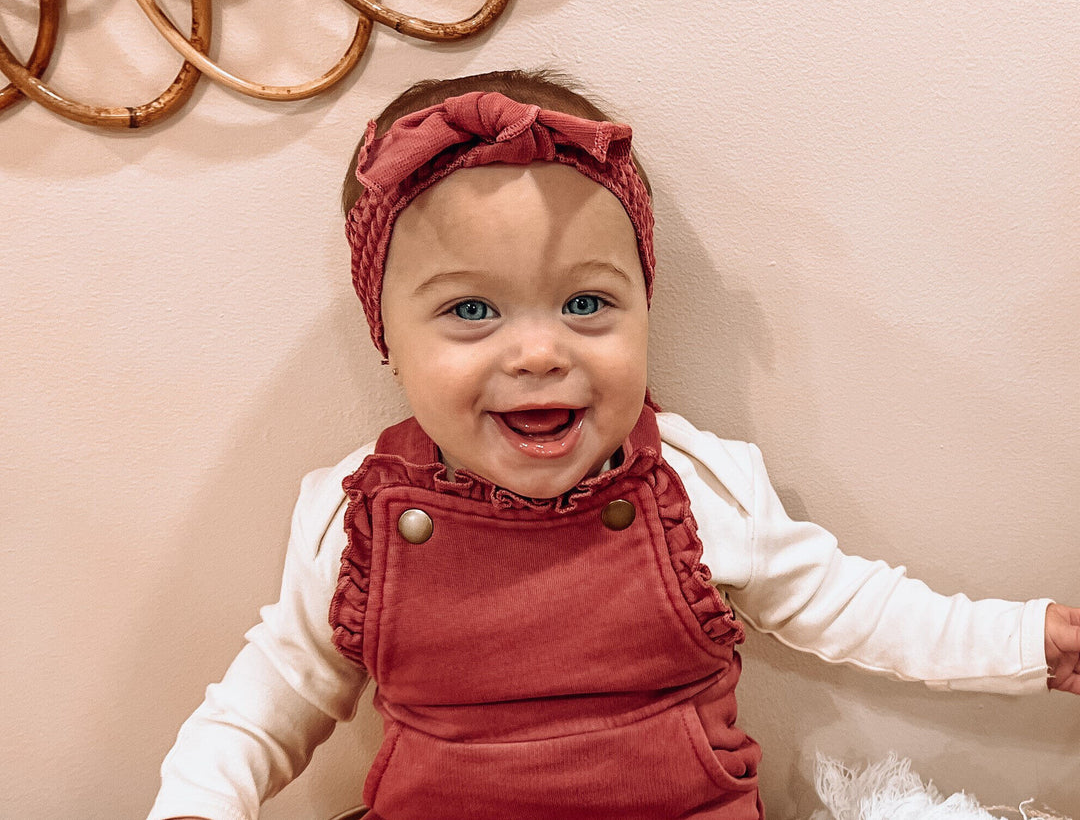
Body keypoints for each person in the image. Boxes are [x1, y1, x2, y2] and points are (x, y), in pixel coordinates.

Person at [148, 70, 1080, 820]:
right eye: (471, 311)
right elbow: (265, 707)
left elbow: (857, 606)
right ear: (386, 337)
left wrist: (1028, 640)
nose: (541, 351)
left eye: (587, 303)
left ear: (645, 311)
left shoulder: (694, 484)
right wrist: (196, 804)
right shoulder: (354, 517)